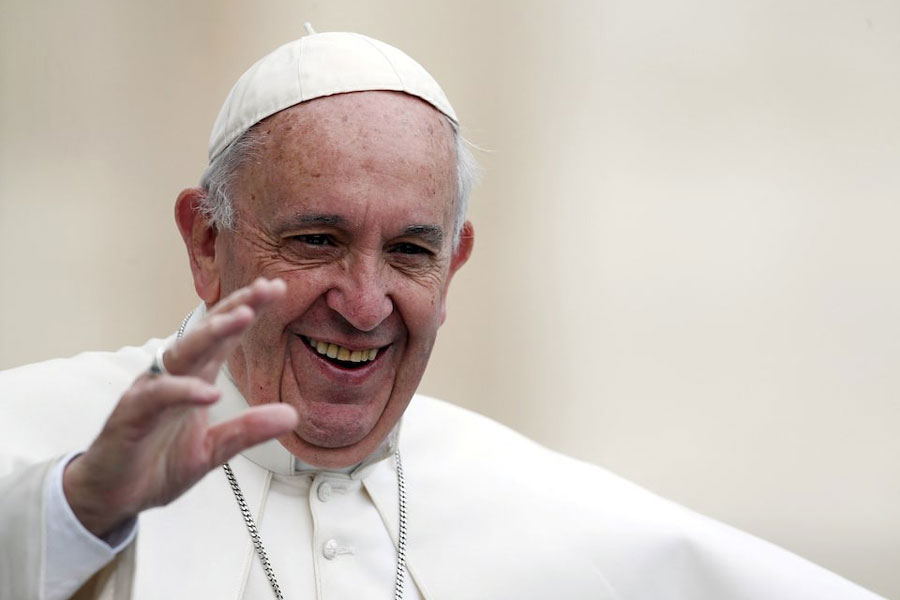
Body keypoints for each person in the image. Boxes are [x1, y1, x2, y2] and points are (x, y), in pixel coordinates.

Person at [0, 26, 885, 600]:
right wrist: (72, 520)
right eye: (315, 240)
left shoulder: (562, 519)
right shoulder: (33, 435)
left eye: (412, 252)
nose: (363, 302)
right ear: (205, 242)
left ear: (455, 264)